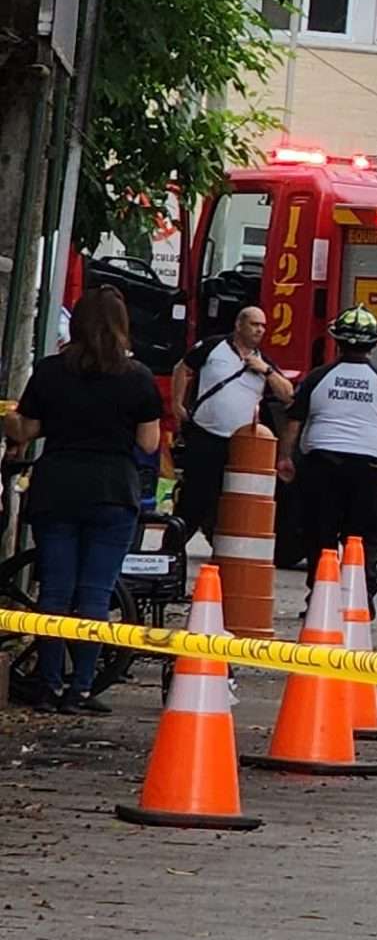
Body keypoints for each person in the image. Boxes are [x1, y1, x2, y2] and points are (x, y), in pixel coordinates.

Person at [9, 288, 166, 712]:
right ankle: (82, 687)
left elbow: (27, 429)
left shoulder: (50, 372)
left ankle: (47, 683)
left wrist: (14, 425)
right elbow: (148, 441)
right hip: (113, 490)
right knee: (95, 595)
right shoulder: (137, 377)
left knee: (54, 591)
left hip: (57, 485)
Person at [280, 305, 377, 621]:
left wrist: (286, 458)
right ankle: (360, 600)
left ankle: (320, 600)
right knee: (365, 537)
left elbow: (294, 422)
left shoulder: (318, 377)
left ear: (337, 341)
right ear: (375, 343)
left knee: (320, 534)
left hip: (321, 466)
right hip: (368, 469)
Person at [168, 302, 291, 558]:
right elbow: (184, 367)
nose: (260, 330)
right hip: (205, 437)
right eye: (254, 324)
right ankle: (169, 555)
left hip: (239, 444)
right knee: (193, 500)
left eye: (263, 326)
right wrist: (178, 404)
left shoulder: (263, 361)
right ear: (239, 324)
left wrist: (266, 371)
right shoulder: (213, 347)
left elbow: (288, 395)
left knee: (228, 503)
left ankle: (223, 558)